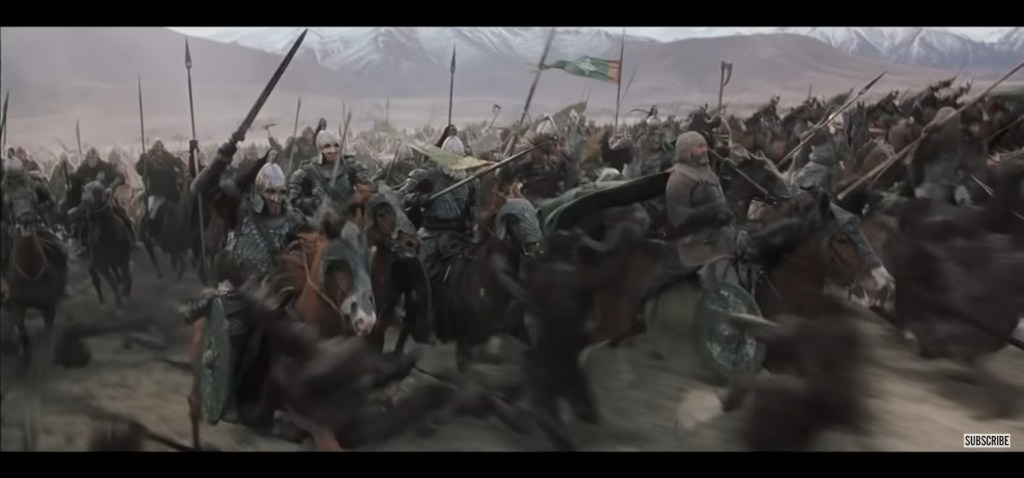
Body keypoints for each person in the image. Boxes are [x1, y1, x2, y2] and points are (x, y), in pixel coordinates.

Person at [288, 129, 371, 217]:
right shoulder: (307, 172)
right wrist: (315, 203)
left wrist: (359, 196)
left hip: (349, 217)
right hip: (318, 220)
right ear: (320, 149)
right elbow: (294, 201)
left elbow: (368, 189)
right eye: (327, 146)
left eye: (336, 145)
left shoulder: (351, 166)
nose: (333, 150)